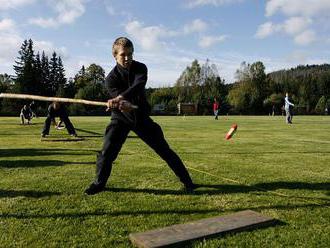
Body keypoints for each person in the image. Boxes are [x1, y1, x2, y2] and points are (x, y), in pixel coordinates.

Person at [85, 37, 196, 195]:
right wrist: (120, 103)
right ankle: (99, 183)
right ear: (115, 56)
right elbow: (119, 100)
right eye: (123, 55)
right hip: (120, 119)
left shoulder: (140, 68)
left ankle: (188, 182)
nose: (128, 58)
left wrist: (120, 98)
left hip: (141, 117)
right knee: (107, 152)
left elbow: (138, 85)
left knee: (164, 150)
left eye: (130, 54)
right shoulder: (110, 79)